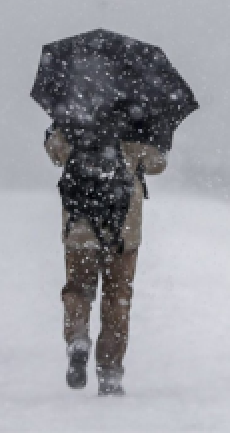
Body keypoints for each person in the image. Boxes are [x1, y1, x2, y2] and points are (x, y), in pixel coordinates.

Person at [45, 106, 167, 396]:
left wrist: (54, 130)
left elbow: (55, 152)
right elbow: (157, 163)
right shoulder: (137, 119)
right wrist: (155, 135)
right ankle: (110, 372)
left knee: (78, 288)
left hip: (80, 229)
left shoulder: (73, 115)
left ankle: (77, 339)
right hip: (123, 230)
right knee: (117, 297)